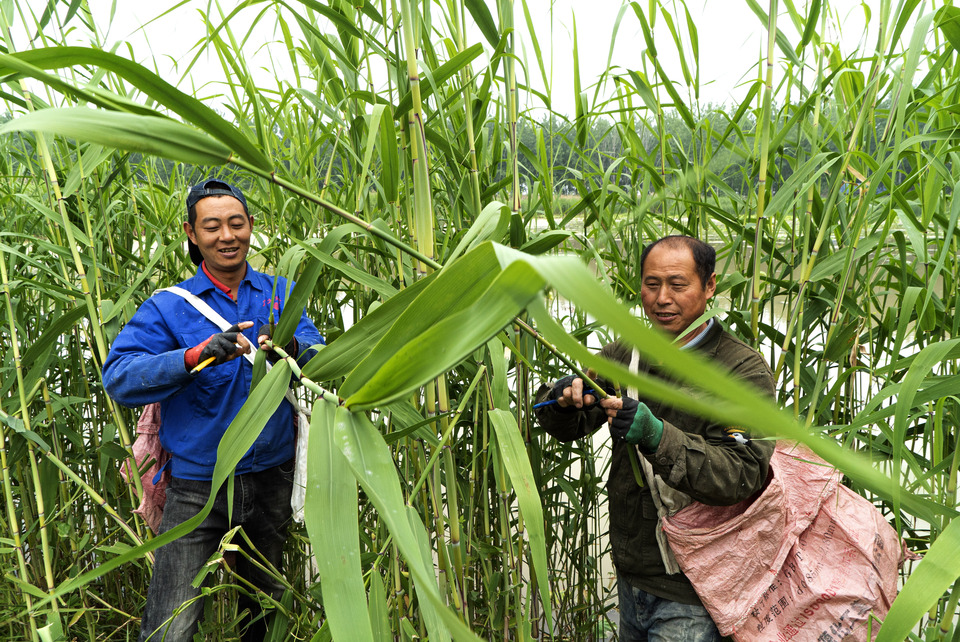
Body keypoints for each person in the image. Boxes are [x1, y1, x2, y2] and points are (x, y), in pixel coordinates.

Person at [102, 178, 324, 642]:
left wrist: (294, 348)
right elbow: (119, 376)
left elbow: (322, 354)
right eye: (212, 226)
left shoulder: (280, 293)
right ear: (191, 232)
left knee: (265, 618)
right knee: (173, 623)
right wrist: (194, 355)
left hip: (272, 480)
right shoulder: (169, 306)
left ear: (250, 227)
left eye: (237, 223)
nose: (227, 236)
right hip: (198, 487)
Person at [534, 235, 775, 642]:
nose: (662, 298)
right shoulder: (626, 355)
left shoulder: (740, 369)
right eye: (651, 284)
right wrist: (560, 400)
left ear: (710, 286)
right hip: (631, 574)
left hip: (694, 588)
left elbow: (743, 473)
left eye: (678, 285)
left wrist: (657, 436)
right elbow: (569, 425)